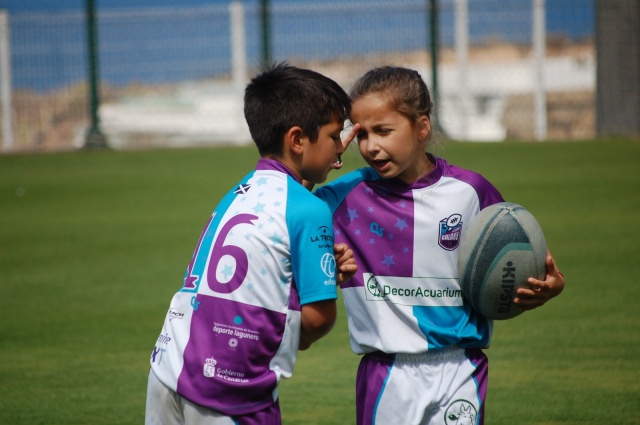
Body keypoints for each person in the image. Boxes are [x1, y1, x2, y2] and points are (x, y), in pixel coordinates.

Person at [313, 66, 565, 425]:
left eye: (383, 130)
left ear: (422, 127)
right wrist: (329, 157)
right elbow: (287, 207)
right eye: (361, 134)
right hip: (387, 374)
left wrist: (546, 285)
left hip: (462, 368)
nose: (370, 146)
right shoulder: (344, 197)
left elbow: (519, 260)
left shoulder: (472, 192)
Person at [145, 62, 357, 425]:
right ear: (297, 139)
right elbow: (318, 319)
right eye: (335, 136)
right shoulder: (311, 210)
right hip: (229, 390)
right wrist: (317, 284)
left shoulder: (241, 190)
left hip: (169, 366)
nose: (340, 149)